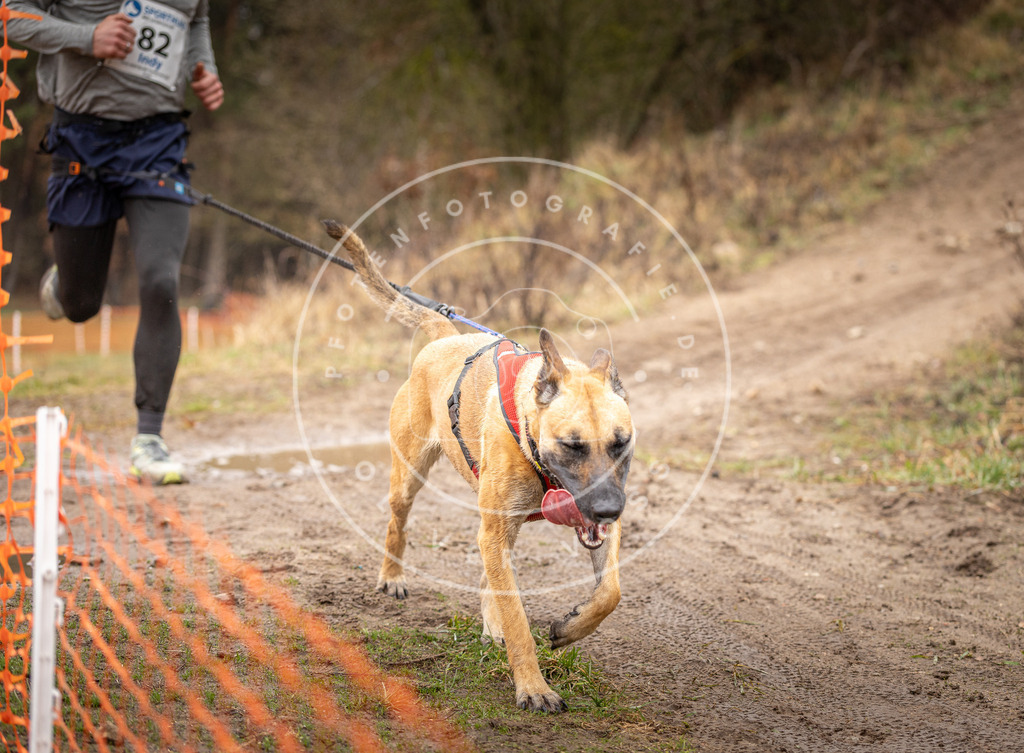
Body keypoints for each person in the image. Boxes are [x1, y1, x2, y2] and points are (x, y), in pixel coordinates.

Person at [7, 0, 224, 484]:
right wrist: (86, 37)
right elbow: (10, 12)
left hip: (159, 141)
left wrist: (202, 66)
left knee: (161, 280)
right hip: (81, 137)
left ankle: (149, 437)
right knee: (81, 304)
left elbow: (196, 17)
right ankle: (67, 282)